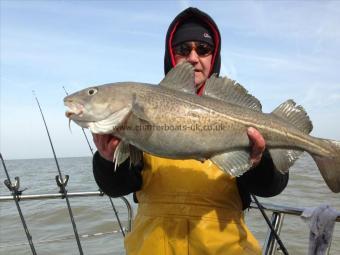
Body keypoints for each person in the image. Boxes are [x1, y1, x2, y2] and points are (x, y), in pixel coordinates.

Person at [92, 7, 289, 255]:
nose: (194, 57)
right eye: (183, 49)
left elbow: (272, 188)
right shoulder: (141, 113)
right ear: (171, 56)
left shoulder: (239, 114)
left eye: (203, 50)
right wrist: (106, 159)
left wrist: (257, 162)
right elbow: (116, 188)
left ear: (213, 56)